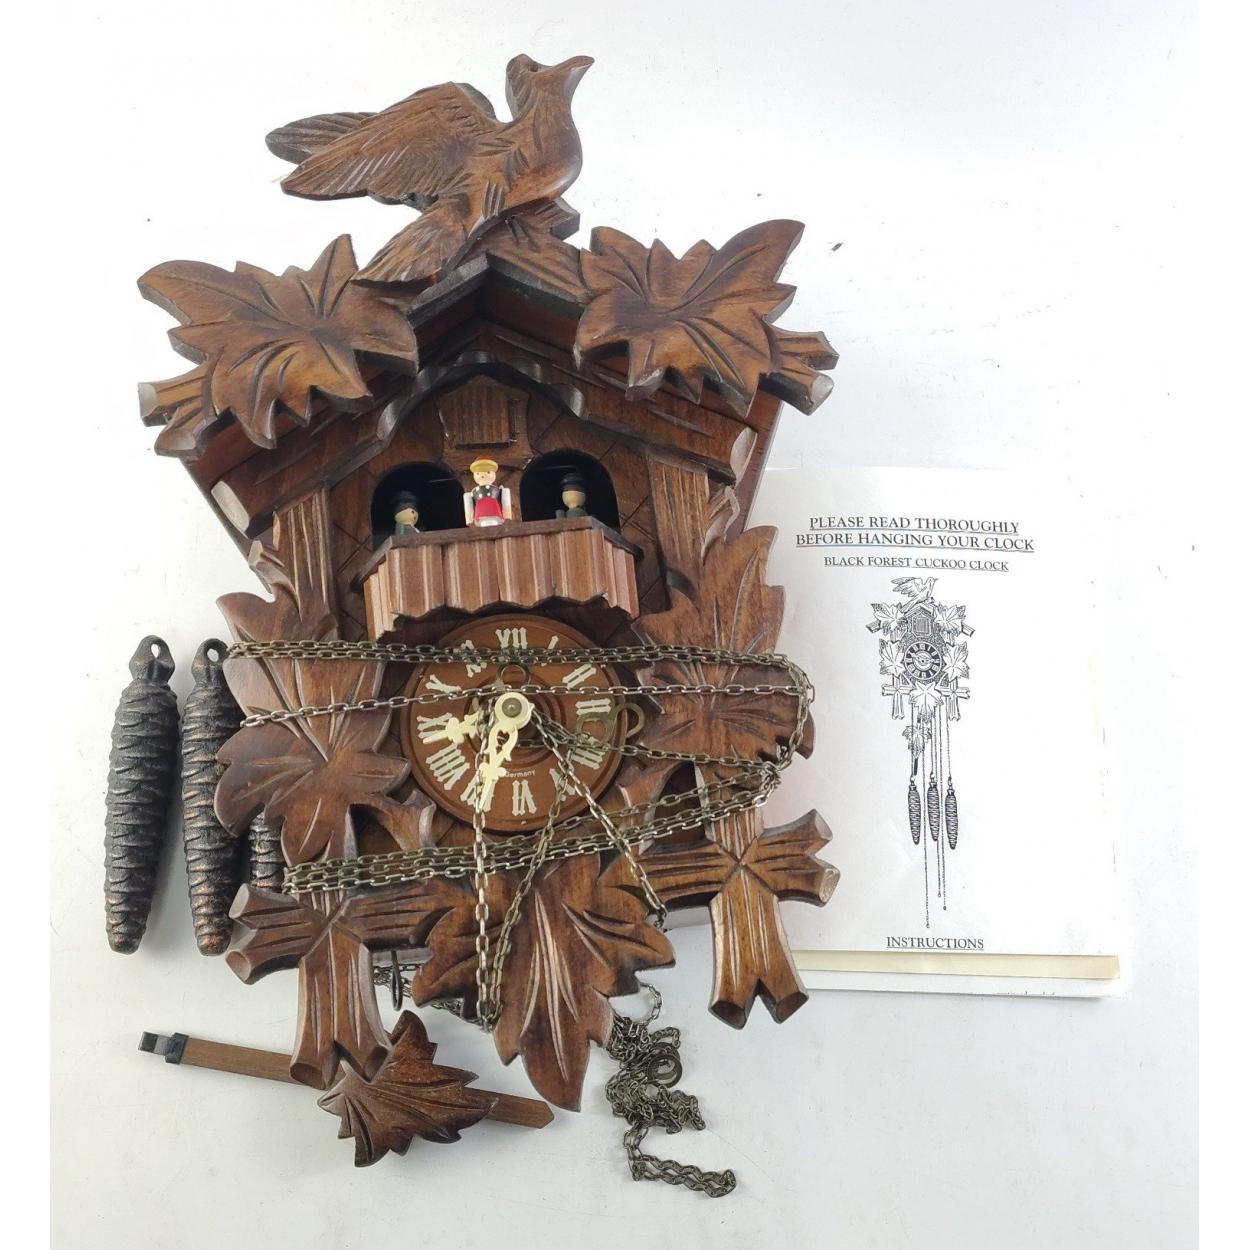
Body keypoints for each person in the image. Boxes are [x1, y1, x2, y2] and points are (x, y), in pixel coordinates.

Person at [463, 457, 512, 527]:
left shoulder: (497, 489)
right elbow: (469, 503)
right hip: (480, 510)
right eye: (478, 473)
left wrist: (507, 513)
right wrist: (469, 518)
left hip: (494, 509)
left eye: (488, 472)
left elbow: (504, 500)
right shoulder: (474, 491)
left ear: (494, 474)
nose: (482, 475)